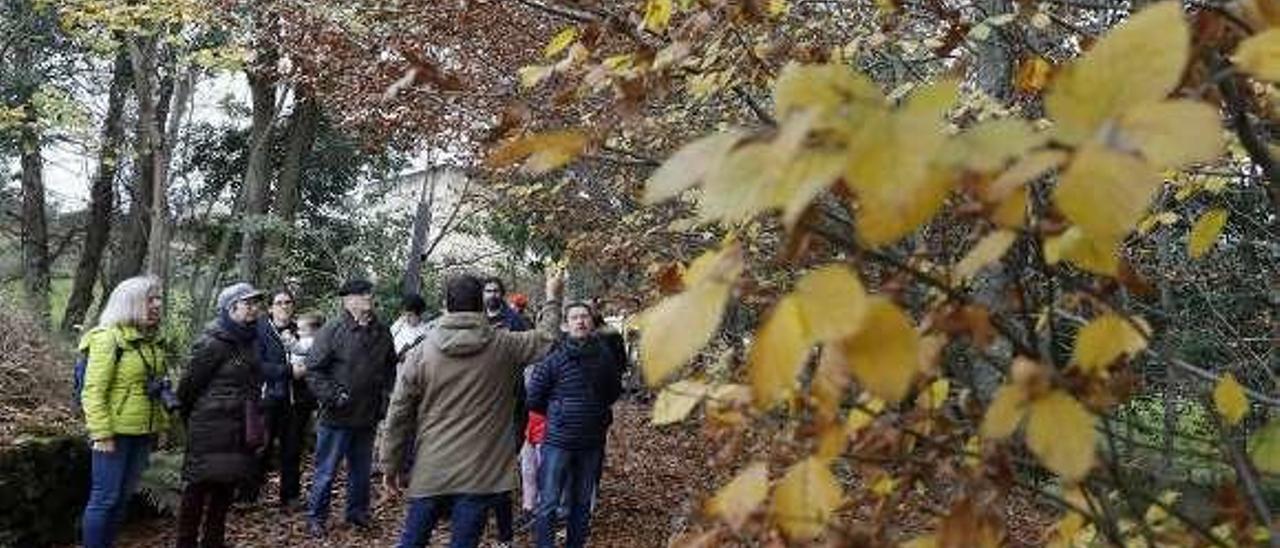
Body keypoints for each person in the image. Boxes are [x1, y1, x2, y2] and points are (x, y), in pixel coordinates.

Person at [380, 271, 565, 548]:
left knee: (412, 541)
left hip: (433, 466)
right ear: (481, 304)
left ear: (445, 304)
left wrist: (390, 465)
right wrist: (553, 297)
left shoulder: (421, 352)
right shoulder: (505, 345)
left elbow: (398, 414)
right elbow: (547, 338)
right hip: (481, 471)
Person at [79, 276, 170, 548]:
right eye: (150, 299)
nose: (157, 305)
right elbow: (93, 391)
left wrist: (161, 425)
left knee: (122, 498)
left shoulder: (152, 342)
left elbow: (156, 389)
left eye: (158, 299)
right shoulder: (108, 338)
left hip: (141, 432)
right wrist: (102, 434)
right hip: (113, 434)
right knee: (105, 498)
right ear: (129, 303)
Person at [175, 283, 266, 548]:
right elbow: (188, 388)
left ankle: (214, 542)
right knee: (197, 490)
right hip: (209, 429)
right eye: (248, 304)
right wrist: (203, 416)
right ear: (230, 307)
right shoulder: (212, 342)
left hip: (239, 428)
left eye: (255, 304)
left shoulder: (250, 341)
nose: (254, 309)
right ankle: (185, 543)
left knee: (225, 490)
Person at [527, 302, 624, 548]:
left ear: (592, 322)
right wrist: (559, 412)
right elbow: (534, 396)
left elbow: (613, 392)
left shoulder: (605, 357)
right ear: (565, 324)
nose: (580, 321)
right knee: (548, 502)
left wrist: (594, 410)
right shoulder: (554, 356)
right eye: (575, 317)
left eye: (584, 317)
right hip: (557, 440)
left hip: (591, 441)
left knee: (581, 504)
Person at [305, 279, 398, 538]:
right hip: (337, 416)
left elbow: (390, 367)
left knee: (361, 471)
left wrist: (386, 396)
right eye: (362, 293)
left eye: (370, 293)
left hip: (368, 415)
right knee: (326, 471)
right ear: (348, 300)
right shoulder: (332, 330)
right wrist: (334, 395)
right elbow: (313, 371)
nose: (369, 297)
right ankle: (316, 517)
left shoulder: (382, 331)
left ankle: (357, 513)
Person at [244, 289, 313, 509]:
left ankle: (290, 496)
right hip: (268, 398)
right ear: (271, 308)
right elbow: (256, 365)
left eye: (288, 302)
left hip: (295, 401)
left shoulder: (299, 331)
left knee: (292, 449)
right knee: (260, 448)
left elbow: (314, 358)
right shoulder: (259, 330)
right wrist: (288, 371)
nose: (284, 306)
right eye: (279, 302)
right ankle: (248, 496)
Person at [391, 293, 431, 358]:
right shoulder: (398, 325)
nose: (406, 318)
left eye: (410, 315)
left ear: (419, 314)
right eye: (404, 314)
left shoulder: (426, 331)